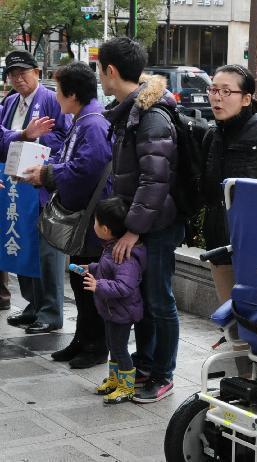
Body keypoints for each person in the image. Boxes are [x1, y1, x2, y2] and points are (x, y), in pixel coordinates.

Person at [99, 37, 183, 403]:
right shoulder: (130, 112)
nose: (99, 78)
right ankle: (146, 364)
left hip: (158, 225)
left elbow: (155, 179)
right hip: (146, 222)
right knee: (147, 300)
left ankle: (163, 374)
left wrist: (133, 229)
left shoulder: (150, 117)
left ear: (111, 71)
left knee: (160, 301)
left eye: (100, 70)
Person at [21, 62, 113, 368]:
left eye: (58, 90)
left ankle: (96, 346)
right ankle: (81, 340)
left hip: (90, 220)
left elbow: (88, 168)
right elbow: (68, 159)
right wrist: (40, 169)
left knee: (88, 285)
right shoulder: (82, 119)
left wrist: (48, 174)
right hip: (82, 219)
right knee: (79, 281)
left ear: (72, 94)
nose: (55, 96)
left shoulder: (93, 124)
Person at [201, 64, 257, 305]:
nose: (217, 97)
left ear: (246, 99)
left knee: (255, 324)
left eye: (226, 91)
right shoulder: (212, 136)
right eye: (213, 90)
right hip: (220, 245)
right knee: (231, 321)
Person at [1, 50, 71, 334]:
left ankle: (51, 311)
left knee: (47, 251)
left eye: (23, 73)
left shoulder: (52, 100)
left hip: (41, 187)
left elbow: (66, 138)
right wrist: (23, 135)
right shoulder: (9, 103)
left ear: (37, 72)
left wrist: (37, 137)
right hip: (15, 188)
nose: (18, 79)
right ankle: (33, 305)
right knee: (22, 248)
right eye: (13, 75)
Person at [82, 197, 146, 404]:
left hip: (122, 312)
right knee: (112, 345)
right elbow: (107, 268)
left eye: (95, 222)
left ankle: (126, 388)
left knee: (119, 348)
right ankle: (114, 380)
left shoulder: (124, 255)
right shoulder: (112, 247)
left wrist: (98, 285)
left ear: (106, 229)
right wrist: (91, 268)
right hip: (111, 310)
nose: (94, 225)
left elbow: (125, 286)